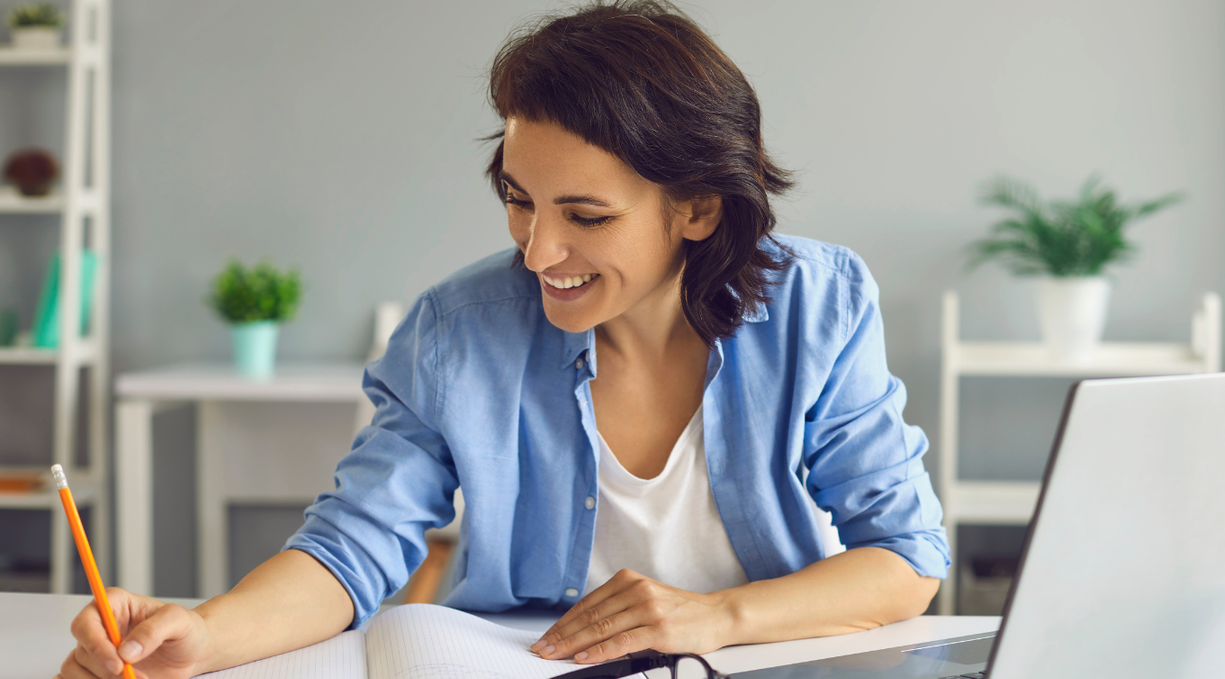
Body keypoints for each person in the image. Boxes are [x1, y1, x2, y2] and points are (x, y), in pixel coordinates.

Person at [59, 3, 948, 677]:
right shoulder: (458, 329)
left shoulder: (815, 304)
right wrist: (202, 632)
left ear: (699, 206)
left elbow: (906, 560)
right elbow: (350, 549)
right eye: (519, 198)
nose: (537, 251)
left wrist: (714, 616)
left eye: (586, 215)